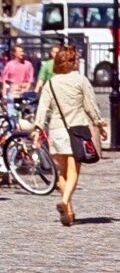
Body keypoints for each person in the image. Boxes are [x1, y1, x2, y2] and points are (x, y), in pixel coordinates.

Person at [33, 45, 106, 226]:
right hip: (76, 131)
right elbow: (90, 106)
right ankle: (65, 202)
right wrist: (99, 123)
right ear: (73, 62)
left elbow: (42, 108)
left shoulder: (51, 83)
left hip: (56, 132)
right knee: (73, 172)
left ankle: (70, 212)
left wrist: (37, 129)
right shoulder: (80, 80)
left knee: (62, 173)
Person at [2, 43, 34, 123]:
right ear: (14, 53)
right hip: (12, 92)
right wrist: (4, 94)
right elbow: (4, 80)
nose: (22, 53)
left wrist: (25, 89)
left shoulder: (28, 64)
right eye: (19, 51)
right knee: (11, 113)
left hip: (24, 92)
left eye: (22, 51)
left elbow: (30, 80)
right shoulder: (9, 65)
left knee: (26, 114)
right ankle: (13, 128)